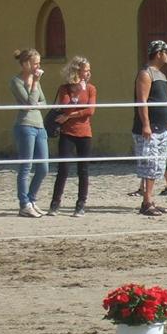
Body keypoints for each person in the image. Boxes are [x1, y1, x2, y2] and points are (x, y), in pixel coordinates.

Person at [48, 56, 96, 217]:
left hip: (85, 132)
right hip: (67, 133)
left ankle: (81, 203)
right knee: (63, 169)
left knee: (83, 170)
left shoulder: (91, 89)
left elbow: (90, 111)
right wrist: (77, 95)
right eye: (86, 70)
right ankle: (55, 203)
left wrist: (69, 117)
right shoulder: (64, 88)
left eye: (89, 70)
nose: (89, 73)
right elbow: (66, 107)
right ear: (77, 71)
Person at [132, 40, 167, 217]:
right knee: (150, 164)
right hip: (150, 129)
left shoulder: (161, 75)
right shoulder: (145, 74)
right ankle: (146, 201)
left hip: (162, 128)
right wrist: (146, 124)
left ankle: (150, 199)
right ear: (158, 53)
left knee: (158, 165)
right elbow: (142, 101)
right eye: (166, 52)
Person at [9, 48, 49, 218]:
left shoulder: (35, 80)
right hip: (25, 125)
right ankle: (24, 203)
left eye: (39, 63)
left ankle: (32, 199)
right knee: (26, 166)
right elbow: (30, 102)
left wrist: (35, 97)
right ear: (26, 64)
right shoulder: (16, 81)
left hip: (39, 125)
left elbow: (44, 102)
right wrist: (35, 83)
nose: (38, 67)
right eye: (35, 63)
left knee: (44, 167)